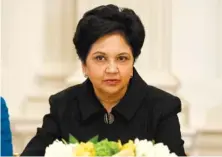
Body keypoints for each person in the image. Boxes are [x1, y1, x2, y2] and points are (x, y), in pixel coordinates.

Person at [21, 4, 186, 156]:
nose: (112, 69)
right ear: (84, 65)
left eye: (122, 59)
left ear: (132, 62)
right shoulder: (64, 106)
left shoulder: (162, 108)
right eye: (100, 58)